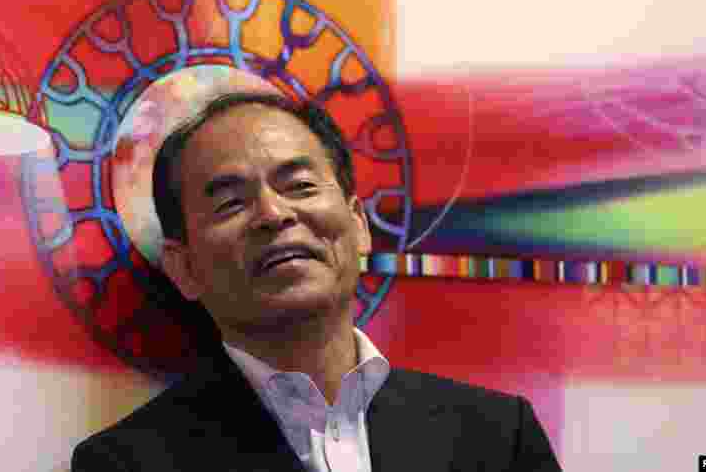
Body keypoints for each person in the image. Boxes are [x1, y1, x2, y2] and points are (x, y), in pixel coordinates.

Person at [72, 91, 562, 471]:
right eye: (230, 203)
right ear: (184, 268)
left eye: (300, 186)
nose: (274, 213)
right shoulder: (126, 464)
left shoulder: (497, 437)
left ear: (358, 225)